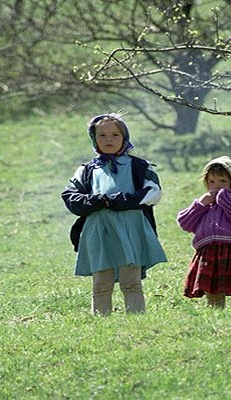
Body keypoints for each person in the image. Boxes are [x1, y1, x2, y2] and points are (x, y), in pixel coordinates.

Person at [61, 113, 167, 316]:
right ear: (94, 138)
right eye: (102, 135)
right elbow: (70, 196)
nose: (108, 140)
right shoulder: (86, 170)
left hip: (131, 229)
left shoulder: (139, 167)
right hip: (99, 231)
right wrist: (94, 201)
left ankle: (136, 320)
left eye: (115, 135)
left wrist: (125, 200)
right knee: (101, 283)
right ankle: (102, 322)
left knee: (131, 283)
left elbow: (153, 193)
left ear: (124, 137)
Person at [177, 156, 231, 309]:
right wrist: (201, 203)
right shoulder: (205, 206)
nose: (217, 186)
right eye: (212, 182)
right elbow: (184, 222)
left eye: (223, 181)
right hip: (208, 252)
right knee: (213, 294)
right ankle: (217, 317)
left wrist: (223, 196)